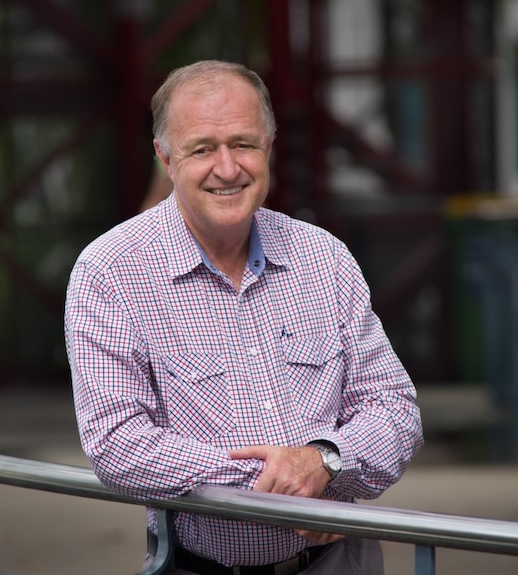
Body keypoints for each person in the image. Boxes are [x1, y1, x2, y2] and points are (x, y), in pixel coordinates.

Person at [64, 60, 423, 575]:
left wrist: (324, 461)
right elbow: (116, 442)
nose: (228, 168)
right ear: (165, 158)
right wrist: (278, 482)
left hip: (340, 561)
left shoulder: (325, 258)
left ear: (269, 148)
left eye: (244, 144)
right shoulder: (111, 272)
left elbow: (395, 409)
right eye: (203, 149)